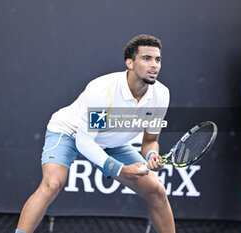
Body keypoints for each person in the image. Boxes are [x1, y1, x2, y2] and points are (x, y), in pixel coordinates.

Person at [15, 34, 175, 233]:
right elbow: (85, 142)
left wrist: (151, 156)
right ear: (130, 63)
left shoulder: (161, 95)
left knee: (156, 191)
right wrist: (120, 169)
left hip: (110, 142)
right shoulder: (103, 91)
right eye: (147, 58)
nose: (154, 65)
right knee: (52, 184)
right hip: (70, 133)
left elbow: (150, 140)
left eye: (158, 59)